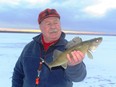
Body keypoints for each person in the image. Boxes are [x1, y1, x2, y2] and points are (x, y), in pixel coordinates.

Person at [12, 8, 87, 87]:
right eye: (48, 24)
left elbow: (79, 77)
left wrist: (74, 66)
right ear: (40, 27)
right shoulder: (29, 48)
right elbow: (18, 73)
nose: (53, 27)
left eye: (56, 23)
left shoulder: (69, 48)